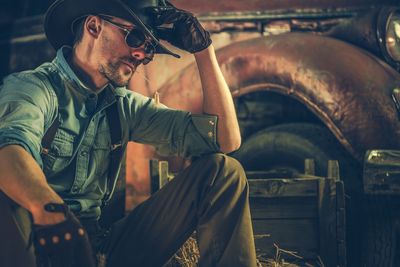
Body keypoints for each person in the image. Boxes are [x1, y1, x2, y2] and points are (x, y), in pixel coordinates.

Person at [0, 0, 257, 266]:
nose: (140, 56)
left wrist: (204, 50)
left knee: (223, 171)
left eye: (147, 49)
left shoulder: (124, 107)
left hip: (97, 250)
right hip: (35, 244)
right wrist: (55, 215)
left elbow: (225, 140)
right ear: (94, 26)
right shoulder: (33, 89)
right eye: (134, 37)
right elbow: (8, 151)